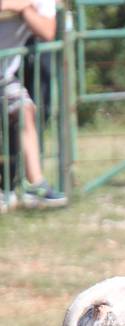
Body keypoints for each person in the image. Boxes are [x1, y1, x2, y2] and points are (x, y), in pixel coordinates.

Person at [0, 0, 66, 208]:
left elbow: (48, 31)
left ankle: (36, 186)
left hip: (3, 76)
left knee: (25, 111)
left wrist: (25, 9)